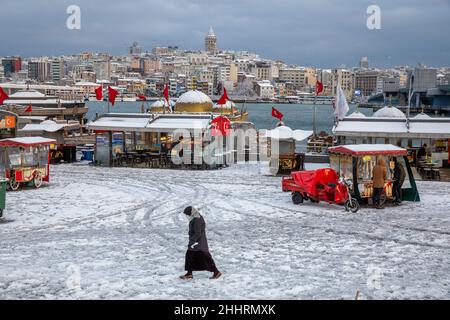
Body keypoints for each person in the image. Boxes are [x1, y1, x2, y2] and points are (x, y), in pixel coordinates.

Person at [180, 206, 222, 280]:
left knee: (205, 257)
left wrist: (192, 242)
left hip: (198, 243)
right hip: (198, 243)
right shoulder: (196, 218)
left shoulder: (197, 220)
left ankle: (216, 272)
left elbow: (197, 233)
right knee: (190, 256)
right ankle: (189, 273)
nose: (187, 216)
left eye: (187, 214)